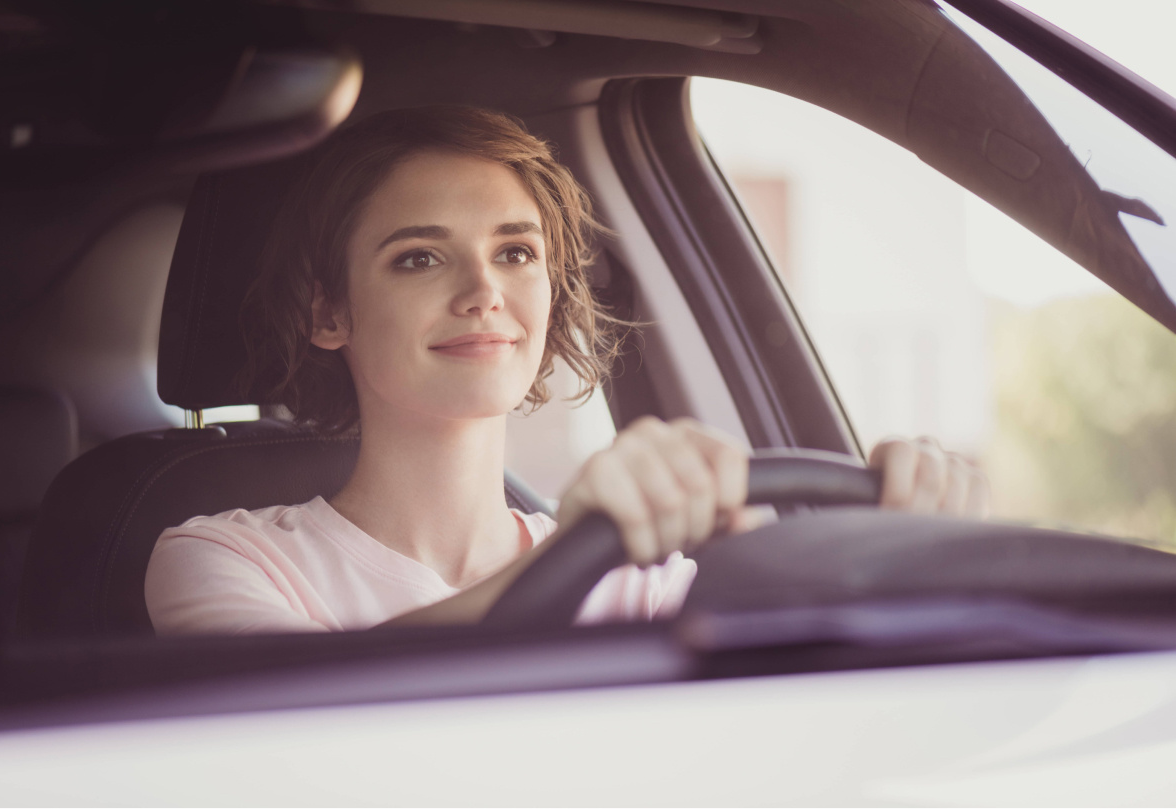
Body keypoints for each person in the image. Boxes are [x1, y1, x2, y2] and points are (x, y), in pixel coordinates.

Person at [145, 106, 989, 636]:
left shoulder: (642, 576)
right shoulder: (222, 557)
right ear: (330, 312)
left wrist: (912, 556)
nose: (484, 292)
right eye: (419, 259)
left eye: (515, 251)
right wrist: (562, 559)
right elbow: (298, 726)